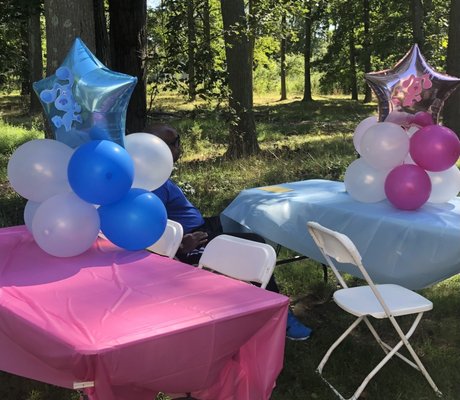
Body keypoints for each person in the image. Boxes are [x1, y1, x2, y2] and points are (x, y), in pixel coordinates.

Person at [147, 122, 312, 341]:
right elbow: (151, 230)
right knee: (255, 247)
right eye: (176, 142)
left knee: (247, 221)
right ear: (161, 148)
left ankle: (261, 300)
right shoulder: (153, 183)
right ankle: (279, 316)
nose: (181, 147)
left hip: (204, 227)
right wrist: (179, 245)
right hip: (194, 240)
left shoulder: (155, 173)